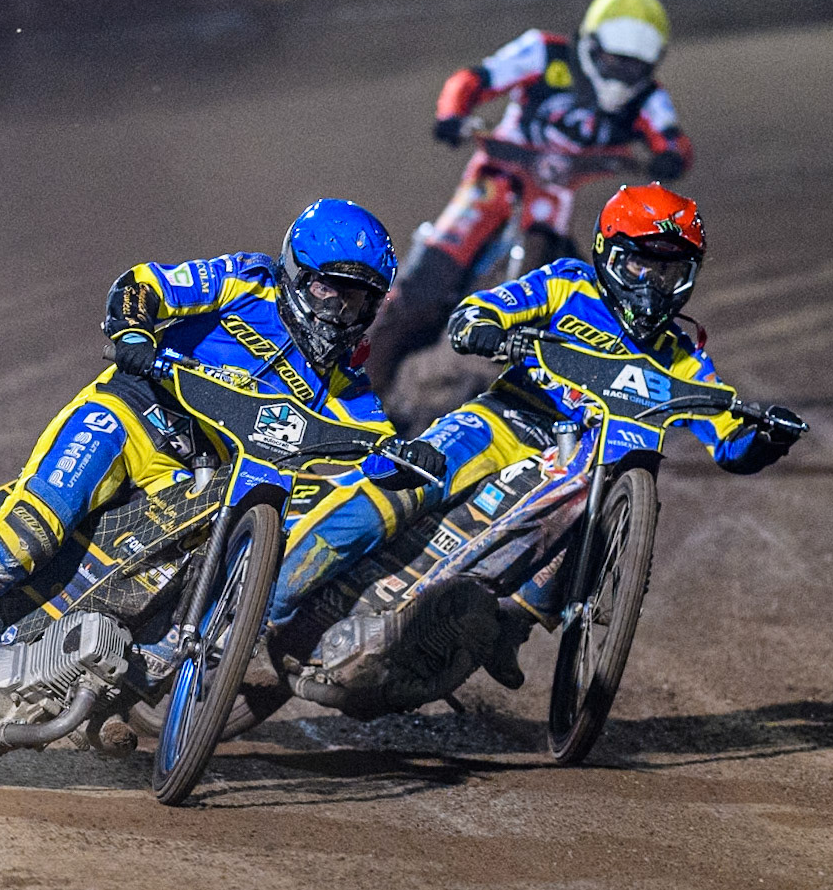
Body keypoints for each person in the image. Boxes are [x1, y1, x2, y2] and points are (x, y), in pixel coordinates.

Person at [0, 198, 445, 732]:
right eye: (331, 290)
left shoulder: (351, 394)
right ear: (299, 274)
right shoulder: (246, 280)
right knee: (35, 526)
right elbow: (143, 285)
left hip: (193, 485)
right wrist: (132, 330)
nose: (342, 309)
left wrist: (407, 461)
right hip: (131, 415)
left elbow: (374, 450)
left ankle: (102, 694)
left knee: (162, 586)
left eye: (359, 298)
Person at [268, 184, 802, 689]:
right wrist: (483, 327)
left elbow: (730, 439)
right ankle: (268, 598)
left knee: (609, 491)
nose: (650, 285)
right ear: (609, 256)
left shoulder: (685, 354)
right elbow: (483, 309)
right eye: (640, 264)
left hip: (590, 468)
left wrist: (765, 436)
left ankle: (508, 625)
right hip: (506, 423)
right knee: (406, 479)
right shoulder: (567, 283)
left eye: (668, 272)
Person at [363, 0, 695, 398]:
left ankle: (572, 396)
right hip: (496, 175)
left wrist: (670, 157)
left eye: (633, 67)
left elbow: (673, 139)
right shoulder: (542, 53)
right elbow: (473, 79)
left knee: (585, 297)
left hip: (554, 195)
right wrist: (452, 114)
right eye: (613, 60)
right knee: (429, 284)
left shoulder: (647, 96)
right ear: (590, 44)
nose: (620, 75)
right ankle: (361, 387)